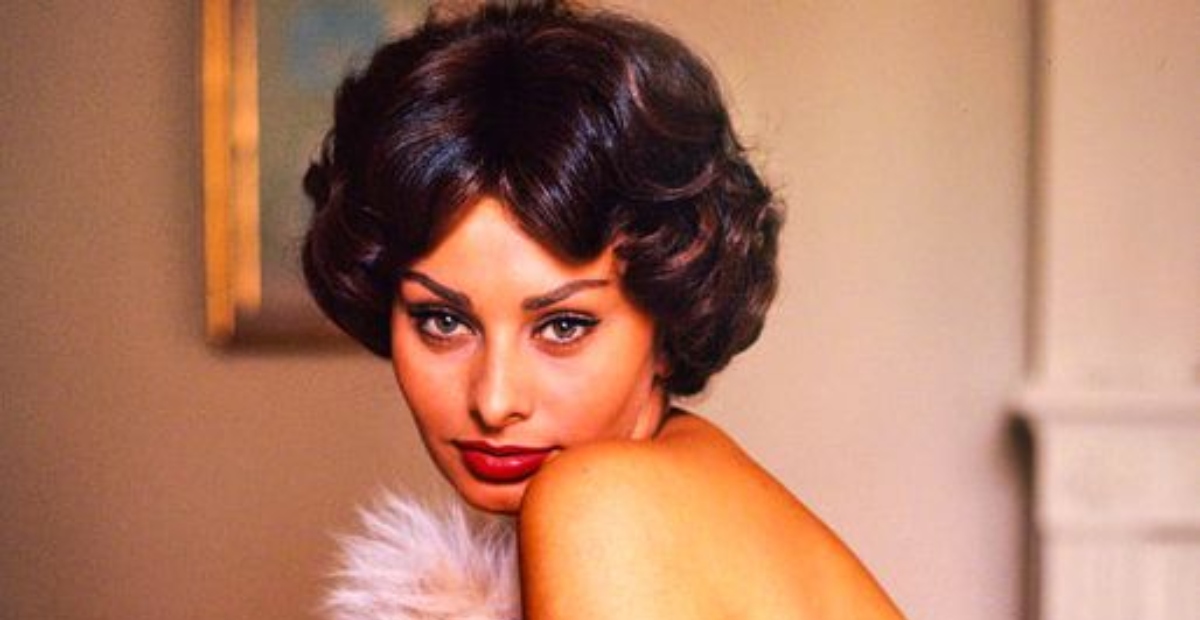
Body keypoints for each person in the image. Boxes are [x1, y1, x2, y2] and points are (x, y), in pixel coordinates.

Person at [303, 1, 905, 618]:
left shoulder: (601, 505)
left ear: (667, 324)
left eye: (564, 326)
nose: (495, 401)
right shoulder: (690, 489)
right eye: (443, 321)